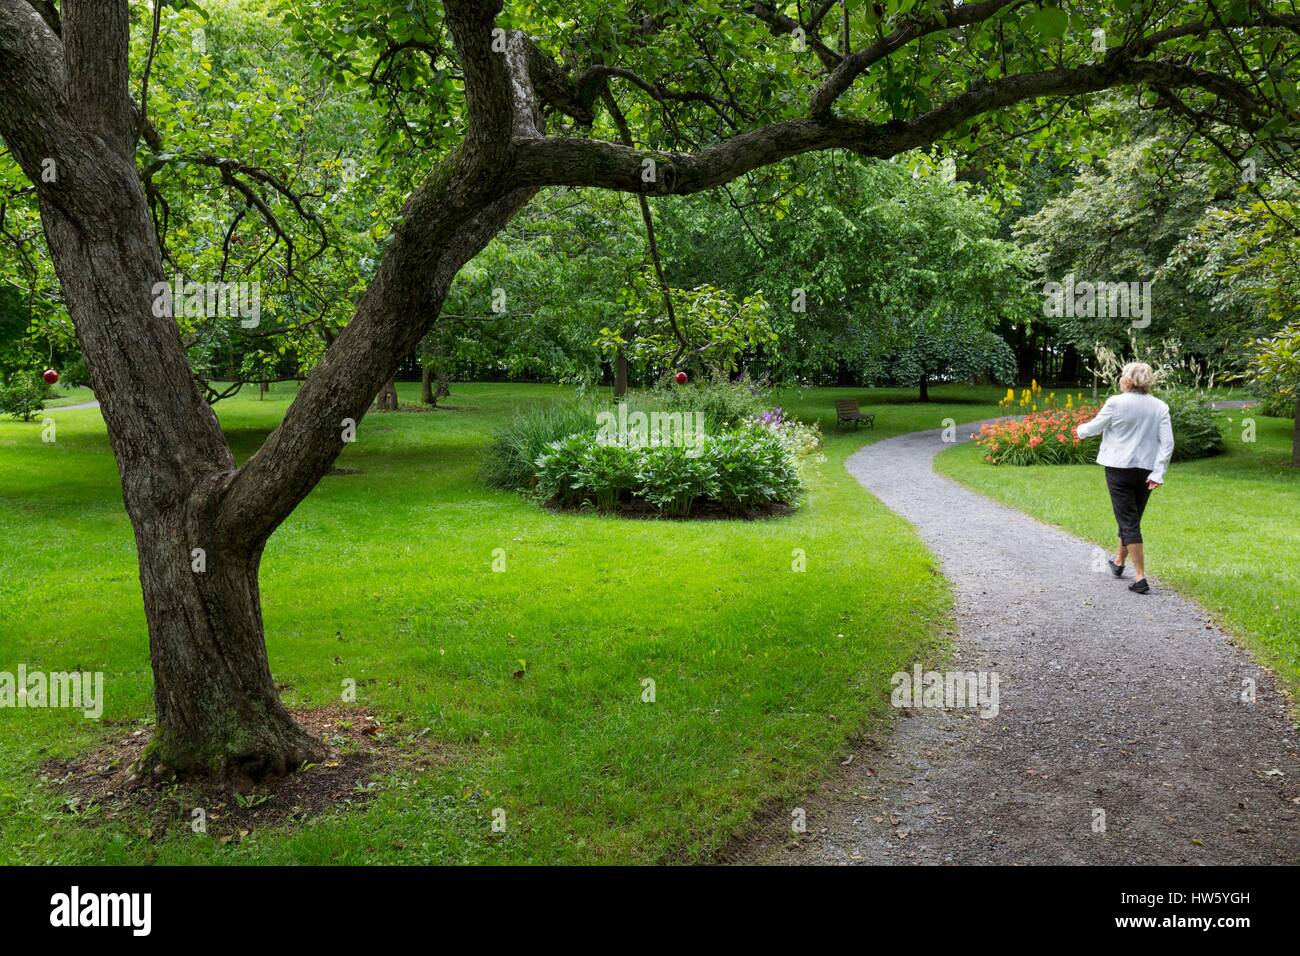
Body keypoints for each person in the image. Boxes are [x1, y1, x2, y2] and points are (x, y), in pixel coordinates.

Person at [1075, 362, 1175, 594]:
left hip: (1119, 468)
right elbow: (1167, 443)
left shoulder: (1116, 402)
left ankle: (1140, 577)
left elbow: (1094, 427)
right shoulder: (1160, 407)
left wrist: (1079, 430)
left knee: (1128, 519)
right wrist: (1158, 472)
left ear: (1127, 380)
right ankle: (1119, 562)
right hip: (1146, 470)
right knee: (1132, 518)